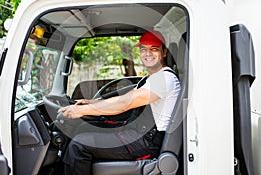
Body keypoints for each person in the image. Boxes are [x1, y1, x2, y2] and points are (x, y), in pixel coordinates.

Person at [58, 30, 181, 175]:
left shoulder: (164, 79)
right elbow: (126, 99)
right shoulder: (152, 77)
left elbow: (125, 103)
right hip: (137, 133)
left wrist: (82, 111)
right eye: (143, 49)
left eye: (154, 49)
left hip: (146, 143)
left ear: (164, 52)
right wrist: (90, 102)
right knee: (83, 129)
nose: (148, 54)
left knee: (79, 145)